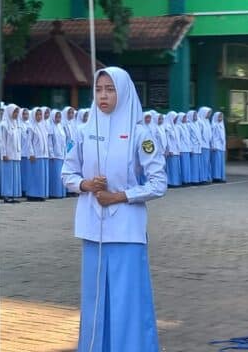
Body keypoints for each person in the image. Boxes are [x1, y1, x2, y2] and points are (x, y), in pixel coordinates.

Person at [62, 67, 167, 352]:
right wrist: (86, 184)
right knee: (95, 300)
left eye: (110, 89)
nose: (103, 96)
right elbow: (67, 174)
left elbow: (158, 183)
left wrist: (119, 196)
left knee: (127, 300)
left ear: (123, 92)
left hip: (126, 231)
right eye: (98, 89)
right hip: (92, 229)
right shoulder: (84, 130)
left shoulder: (140, 133)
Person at [0, 104, 22, 202]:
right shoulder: (4, 124)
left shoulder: (16, 123)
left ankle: (13, 194)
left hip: (16, 154)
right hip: (8, 154)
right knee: (7, 175)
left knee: (14, 175)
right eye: (14, 112)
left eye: (17, 112)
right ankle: (6, 195)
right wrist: (4, 154)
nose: (16, 114)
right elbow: (2, 141)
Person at [211, 111, 226, 182]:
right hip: (216, 146)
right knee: (216, 162)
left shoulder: (222, 125)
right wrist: (213, 145)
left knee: (221, 162)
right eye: (219, 116)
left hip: (222, 146)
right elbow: (213, 136)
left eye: (222, 116)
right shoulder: (214, 125)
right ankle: (216, 177)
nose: (221, 118)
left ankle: (221, 176)